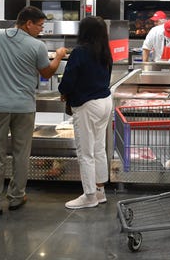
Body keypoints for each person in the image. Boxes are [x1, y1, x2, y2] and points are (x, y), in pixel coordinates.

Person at [0, 7, 66, 216]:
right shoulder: (37, 46)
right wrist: (58, 57)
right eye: (39, 26)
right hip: (24, 107)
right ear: (28, 23)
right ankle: (17, 197)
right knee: (22, 153)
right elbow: (47, 73)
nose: (41, 30)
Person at [58, 16, 113, 209]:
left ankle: (89, 196)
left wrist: (63, 92)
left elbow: (68, 80)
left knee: (85, 152)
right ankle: (100, 191)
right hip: (105, 101)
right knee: (98, 148)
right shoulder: (105, 51)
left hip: (87, 105)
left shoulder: (80, 52)